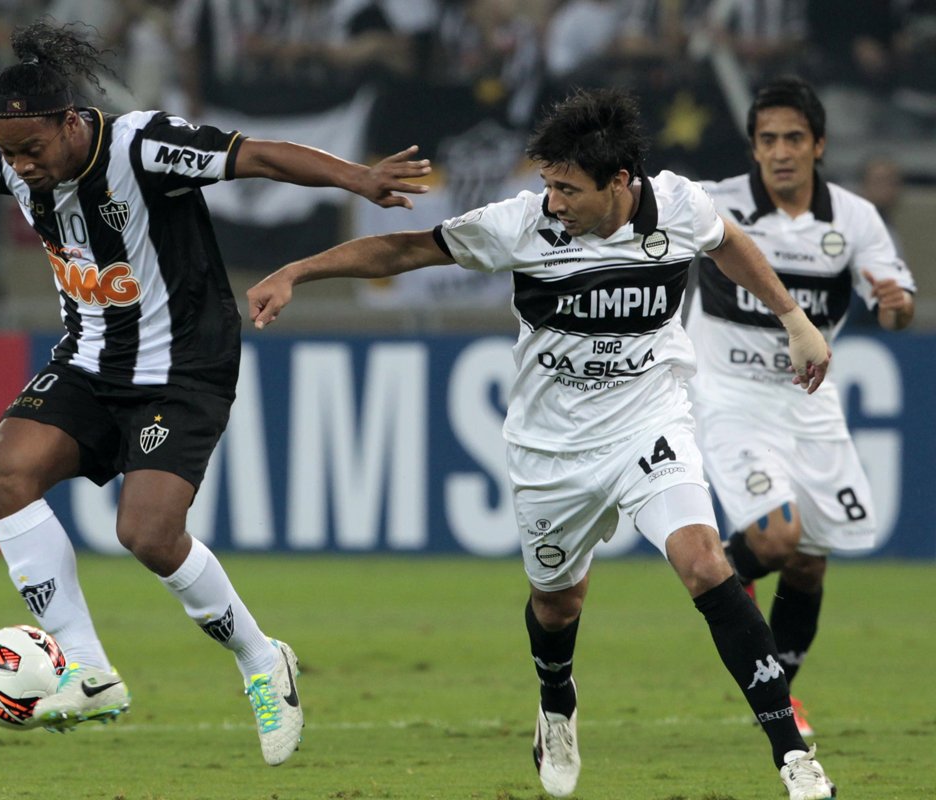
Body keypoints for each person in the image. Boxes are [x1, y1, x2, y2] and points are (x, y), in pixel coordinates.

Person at [0, 20, 430, 766]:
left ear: (69, 123)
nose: (20, 167)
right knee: (4, 470)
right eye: (10, 153)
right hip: (90, 359)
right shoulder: (12, 158)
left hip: (183, 365)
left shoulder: (143, 145)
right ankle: (88, 668)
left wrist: (358, 177)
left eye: (33, 149)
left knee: (148, 535)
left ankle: (261, 658)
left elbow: (253, 155)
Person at [248, 87, 838, 799]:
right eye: (547, 185)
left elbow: (729, 242)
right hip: (550, 449)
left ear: (620, 184)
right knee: (557, 605)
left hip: (648, 419)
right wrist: (296, 271)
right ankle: (557, 697)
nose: (552, 202)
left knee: (704, 562)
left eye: (567, 188)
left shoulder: (677, 206)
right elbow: (406, 249)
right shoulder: (520, 225)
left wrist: (792, 318)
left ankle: (792, 758)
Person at [687, 75, 916, 739]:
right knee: (778, 537)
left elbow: (895, 304)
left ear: (818, 144)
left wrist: (897, 308)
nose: (780, 151)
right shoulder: (715, 206)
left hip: (808, 403)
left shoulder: (854, 217)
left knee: (811, 559)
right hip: (728, 395)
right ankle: (714, 571)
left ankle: (779, 690)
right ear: (753, 149)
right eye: (767, 140)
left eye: (793, 138)